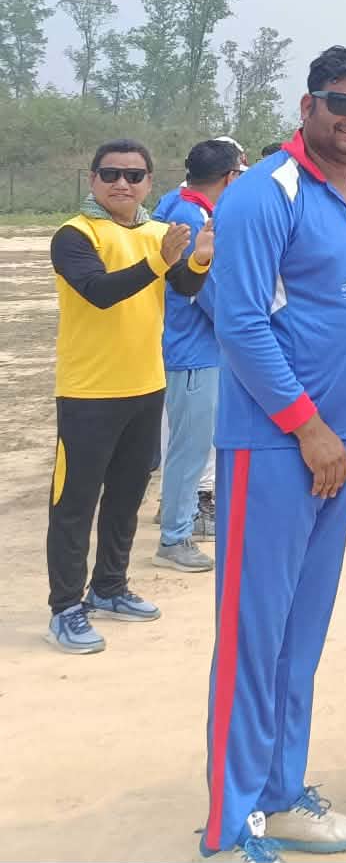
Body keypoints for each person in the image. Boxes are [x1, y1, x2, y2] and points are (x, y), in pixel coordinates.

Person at [201, 45, 346, 861]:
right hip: (275, 446)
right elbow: (240, 322)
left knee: (300, 635)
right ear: (308, 104)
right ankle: (232, 824)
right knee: (254, 636)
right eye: (342, 102)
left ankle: (281, 793)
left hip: (341, 445)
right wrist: (307, 426)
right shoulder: (266, 192)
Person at [45, 139, 214, 653]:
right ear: (93, 179)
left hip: (146, 386)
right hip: (89, 391)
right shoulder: (76, 234)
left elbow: (183, 286)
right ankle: (66, 607)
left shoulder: (159, 233)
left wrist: (198, 260)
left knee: (125, 497)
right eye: (111, 173)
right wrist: (161, 263)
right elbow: (99, 292)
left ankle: (110, 587)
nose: (123, 183)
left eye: (134, 175)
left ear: (148, 182)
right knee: (75, 504)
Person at [152, 139, 242, 573]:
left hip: (184, 343)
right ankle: (175, 537)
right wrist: (241, 324)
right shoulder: (193, 217)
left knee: (185, 444)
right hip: (192, 348)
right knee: (190, 448)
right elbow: (201, 288)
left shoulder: (175, 203)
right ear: (230, 177)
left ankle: (177, 517)